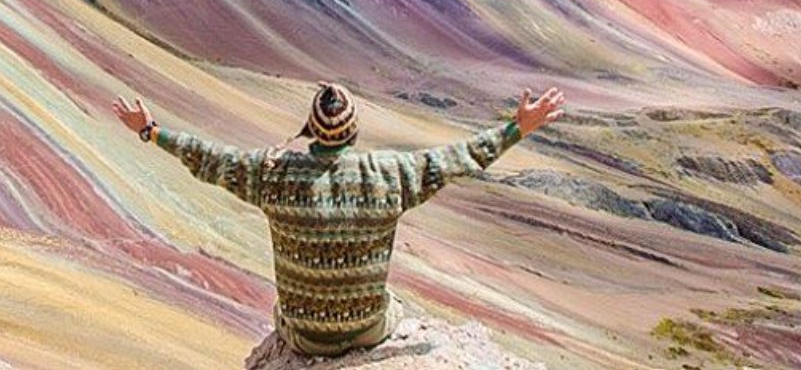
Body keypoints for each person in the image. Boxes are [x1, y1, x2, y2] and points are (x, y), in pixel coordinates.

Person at [112, 81, 565, 357]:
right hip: (368, 330)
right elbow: (459, 158)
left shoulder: (273, 175)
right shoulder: (390, 175)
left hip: (303, 336)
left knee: (280, 310)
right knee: (396, 303)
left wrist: (151, 131)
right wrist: (516, 128)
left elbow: (209, 157)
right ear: (353, 132)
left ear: (310, 129)